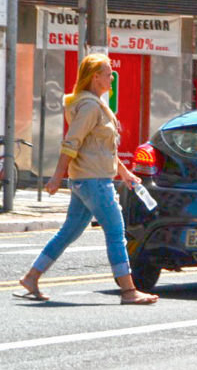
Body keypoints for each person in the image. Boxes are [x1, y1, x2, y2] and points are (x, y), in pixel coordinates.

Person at [15, 53, 158, 305]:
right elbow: (72, 142)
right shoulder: (90, 107)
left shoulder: (94, 104)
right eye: (107, 73)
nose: (111, 77)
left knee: (69, 231)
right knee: (116, 232)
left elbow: (104, 149)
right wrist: (57, 177)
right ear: (95, 77)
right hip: (93, 182)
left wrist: (125, 174)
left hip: (89, 179)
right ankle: (128, 291)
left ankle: (31, 277)